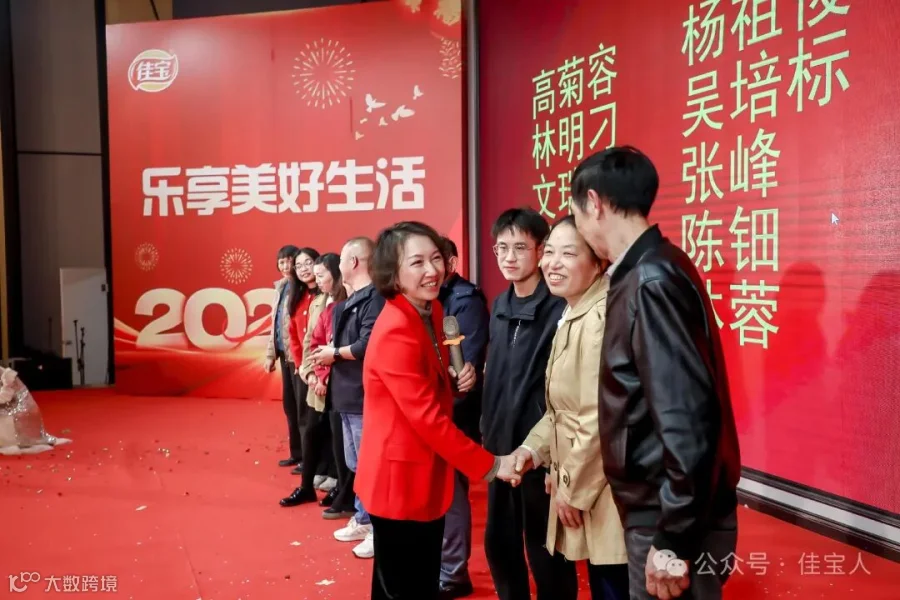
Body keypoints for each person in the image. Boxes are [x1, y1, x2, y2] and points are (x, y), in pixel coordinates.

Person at [570, 146, 741, 600]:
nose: (579, 228)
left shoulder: (651, 280)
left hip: (669, 515)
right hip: (664, 508)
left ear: (594, 203)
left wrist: (672, 537)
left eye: (577, 214)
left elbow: (687, 417)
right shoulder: (648, 269)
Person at [355, 221, 523, 600]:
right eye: (417, 263)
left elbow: (422, 381)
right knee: (404, 587)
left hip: (423, 475)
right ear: (392, 274)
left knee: (416, 583)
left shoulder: (430, 310)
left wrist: (451, 378)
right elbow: (427, 420)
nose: (432, 270)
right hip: (398, 483)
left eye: (436, 258)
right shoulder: (396, 329)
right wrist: (491, 465)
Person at [512, 216, 629, 600]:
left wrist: (572, 490)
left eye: (568, 253)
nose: (552, 263)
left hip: (606, 486)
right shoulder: (575, 311)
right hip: (592, 479)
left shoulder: (599, 319)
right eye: (549, 252)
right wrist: (532, 450)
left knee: (615, 583)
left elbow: (599, 417)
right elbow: (562, 410)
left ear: (599, 262)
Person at [481, 208, 576, 600]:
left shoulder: (559, 308)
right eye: (501, 248)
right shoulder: (499, 306)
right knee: (499, 544)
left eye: (520, 247)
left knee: (546, 552)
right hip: (499, 450)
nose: (509, 257)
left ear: (541, 251)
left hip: (539, 451)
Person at [310, 237, 384, 559]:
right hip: (346, 396)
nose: (338, 265)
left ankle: (379, 528)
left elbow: (368, 344)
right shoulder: (348, 301)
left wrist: (335, 353)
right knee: (357, 464)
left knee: (371, 467)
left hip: (364, 396)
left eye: (341, 259)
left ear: (353, 262)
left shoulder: (375, 299)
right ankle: (364, 518)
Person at [437, 237, 490, 599]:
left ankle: (454, 572)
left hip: (454, 413)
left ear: (451, 263)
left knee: (452, 493)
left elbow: (464, 367)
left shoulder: (465, 300)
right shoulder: (426, 299)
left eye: (434, 260)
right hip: (432, 411)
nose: (427, 270)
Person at [282, 252, 345, 508]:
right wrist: (309, 372)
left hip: (334, 382)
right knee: (311, 431)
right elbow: (311, 339)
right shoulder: (320, 301)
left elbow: (339, 346)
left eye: (321, 275)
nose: (317, 281)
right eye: (315, 276)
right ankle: (306, 486)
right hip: (316, 378)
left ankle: (340, 485)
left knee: (337, 437)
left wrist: (323, 377)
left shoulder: (345, 301)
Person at [264, 245, 303, 468]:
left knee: (303, 409)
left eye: (290, 261)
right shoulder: (280, 287)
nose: (286, 266)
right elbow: (275, 326)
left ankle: (309, 458)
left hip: (298, 358)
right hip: (284, 356)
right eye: (281, 262)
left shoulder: (302, 288)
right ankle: (297, 453)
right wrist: (270, 355)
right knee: (290, 406)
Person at [285, 247, 321, 476]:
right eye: (298, 266)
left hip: (323, 366)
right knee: (303, 416)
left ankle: (321, 466)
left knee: (320, 419)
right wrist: (299, 365)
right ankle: (307, 462)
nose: (304, 269)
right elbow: (294, 336)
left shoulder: (327, 294)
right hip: (303, 368)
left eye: (308, 263)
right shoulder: (297, 298)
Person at [0, 366, 71, 455]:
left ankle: (16, 442)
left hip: (19, 414)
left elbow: (5, 397)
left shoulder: (6, 375)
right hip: (8, 409)